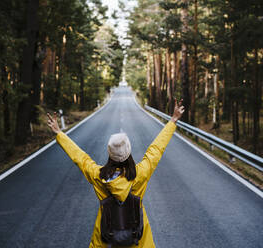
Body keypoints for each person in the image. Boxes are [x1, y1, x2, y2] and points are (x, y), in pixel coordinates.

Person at [47, 99, 185, 248]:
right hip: (139, 242)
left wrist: (59, 133)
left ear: (109, 154)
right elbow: (157, 148)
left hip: (106, 242)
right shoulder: (140, 174)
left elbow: (79, 157)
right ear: (129, 153)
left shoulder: (99, 176)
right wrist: (173, 120)